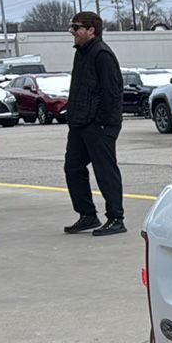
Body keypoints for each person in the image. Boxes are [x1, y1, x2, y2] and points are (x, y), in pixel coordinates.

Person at [63, 12, 126, 236]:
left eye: (76, 27)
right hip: (80, 123)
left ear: (91, 30)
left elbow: (113, 92)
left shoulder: (102, 55)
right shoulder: (81, 53)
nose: (72, 31)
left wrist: (105, 124)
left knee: (105, 170)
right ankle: (87, 214)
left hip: (99, 125)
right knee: (73, 167)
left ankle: (116, 218)